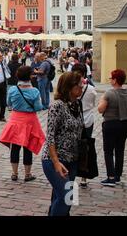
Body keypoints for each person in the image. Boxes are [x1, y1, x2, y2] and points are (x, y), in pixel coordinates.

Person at [41, 72, 84, 216]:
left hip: (73, 159)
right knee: (67, 196)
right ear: (69, 86)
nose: (82, 87)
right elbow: (50, 136)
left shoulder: (77, 104)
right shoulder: (57, 106)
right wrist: (56, 162)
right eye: (79, 85)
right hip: (55, 160)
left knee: (64, 197)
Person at [0, 66, 44, 182]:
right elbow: (39, 107)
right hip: (29, 121)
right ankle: (27, 174)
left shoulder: (13, 89)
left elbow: (9, 103)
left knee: (15, 147)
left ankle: (14, 173)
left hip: (15, 120)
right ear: (29, 76)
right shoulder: (34, 91)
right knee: (28, 148)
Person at [97, 69, 127, 187]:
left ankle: (111, 177)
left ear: (115, 80)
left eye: (111, 78)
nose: (110, 80)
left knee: (108, 151)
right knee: (120, 150)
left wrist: (101, 100)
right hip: (124, 124)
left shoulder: (109, 93)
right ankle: (117, 175)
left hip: (110, 125)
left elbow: (100, 109)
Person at [71, 63, 97, 188]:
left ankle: (71, 173)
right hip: (87, 120)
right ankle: (84, 178)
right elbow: (93, 104)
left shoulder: (69, 87)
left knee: (72, 146)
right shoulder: (91, 89)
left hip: (73, 119)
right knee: (85, 147)